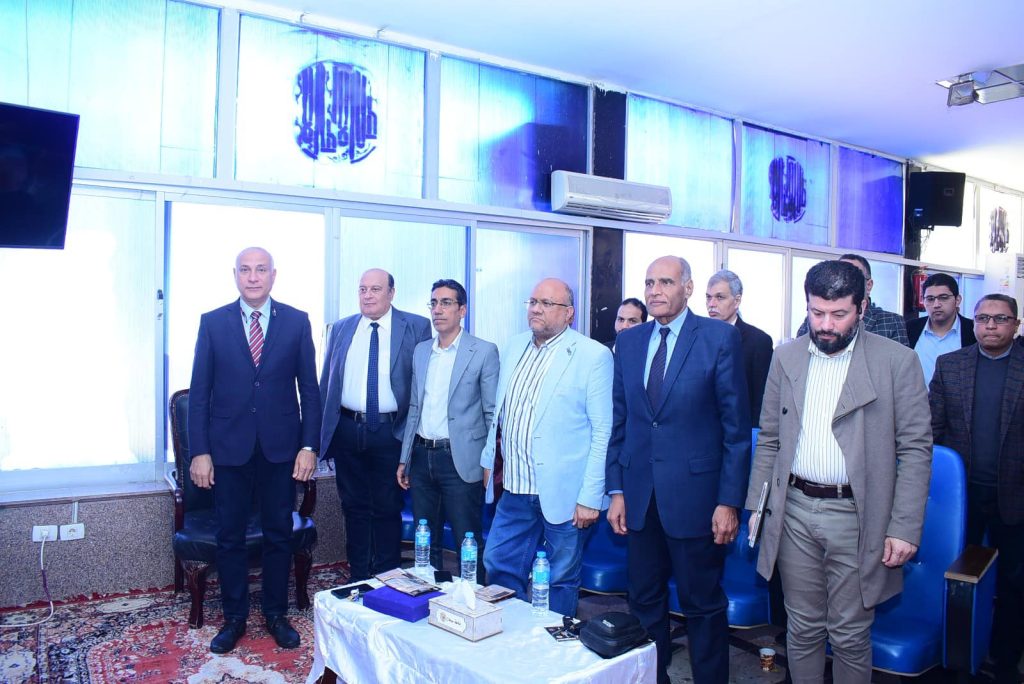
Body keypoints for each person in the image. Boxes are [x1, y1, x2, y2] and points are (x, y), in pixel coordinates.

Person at [747, 260, 932, 683]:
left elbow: (916, 449)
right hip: (794, 509)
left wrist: (904, 527)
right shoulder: (786, 357)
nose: (826, 325)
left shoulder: (897, 362)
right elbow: (770, 438)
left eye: (838, 314)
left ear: (862, 308)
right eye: (817, 312)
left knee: (849, 633)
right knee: (802, 627)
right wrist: (758, 506)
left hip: (857, 515)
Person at [607, 255, 751, 684]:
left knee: (702, 604)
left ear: (688, 288)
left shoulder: (718, 338)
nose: (655, 290)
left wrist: (729, 501)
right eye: (649, 282)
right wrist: (616, 490)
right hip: (639, 498)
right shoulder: (629, 343)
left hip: (696, 499)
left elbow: (736, 431)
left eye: (666, 282)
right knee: (643, 601)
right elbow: (620, 421)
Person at [188, 247, 321, 653]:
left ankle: (276, 614)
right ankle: (234, 618)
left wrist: (309, 446)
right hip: (228, 449)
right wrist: (199, 451)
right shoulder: (213, 323)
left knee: (279, 534)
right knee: (230, 536)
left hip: (281, 450)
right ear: (235, 275)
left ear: (273, 275)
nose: (253, 277)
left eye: (261, 269)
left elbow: (310, 392)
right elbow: (199, 393)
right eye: (245, 270)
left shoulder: (297, 321)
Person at [481, 278, 612, 617]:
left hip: (566, 493)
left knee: (560, 578)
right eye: (533, 301)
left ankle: (553, 643)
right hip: (516, 486)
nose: (536, 309)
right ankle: (510, 636)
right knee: (498, 562)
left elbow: (603, 431)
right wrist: (488, 460)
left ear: (569, 313)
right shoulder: (514, 346)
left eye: (547, 303)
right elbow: (501, 413)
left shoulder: (593, 356)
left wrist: (591, 496)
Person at [930, 293, 1024, 684]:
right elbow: (932, 430)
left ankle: (1005, 661)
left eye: (1000, 319)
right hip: (961, 497)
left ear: (1015, 325)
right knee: (955, 579)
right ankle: (954, 658)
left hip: (1015, 495)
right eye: (983, 318)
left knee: (1014, 583)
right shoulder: (950, 365)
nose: (990, 326)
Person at [320, 269, 432, 581]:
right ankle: (358, 576)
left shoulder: (416, 326)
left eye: (375, 289)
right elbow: (327, 382)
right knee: (353, 506)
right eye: (362, 289)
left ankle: (387, 577)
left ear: (391, 293)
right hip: (348, 429)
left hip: (391, 432)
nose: (367, 295)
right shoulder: (341, 328)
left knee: (387, 507)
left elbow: (424, 386)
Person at [397, 279, 499, 579]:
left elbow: (492, 413)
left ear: (462, 310)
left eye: (446, 303)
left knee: (467, 541)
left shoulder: (483, 351)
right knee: (425, 542)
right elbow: (414, 407)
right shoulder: (421, 351)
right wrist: (404, 458)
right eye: (433, 303)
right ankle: (429, 597)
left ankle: (474, 599)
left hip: (461, 460)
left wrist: (490, 462)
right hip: (421, 456)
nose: (437, 310)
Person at [706, 269, 773, 426]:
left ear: (737, 301)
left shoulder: (758, 341)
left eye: (719, 297)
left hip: (740, 431)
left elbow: (761, 399)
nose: (711, 304)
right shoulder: (698, 337)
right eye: (708, 297)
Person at [796, 253, 909, 347]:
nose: (827, 325)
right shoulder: (812, 321)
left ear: (869, 285)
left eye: (839, 315)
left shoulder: (891, 322)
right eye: (840, 277)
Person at [908, 272, 976, 386]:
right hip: (915, 397)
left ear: (957, 300)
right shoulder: (910, 329)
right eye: (930, 299)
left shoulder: (973, 330)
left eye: (943, 298)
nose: (936, 304)